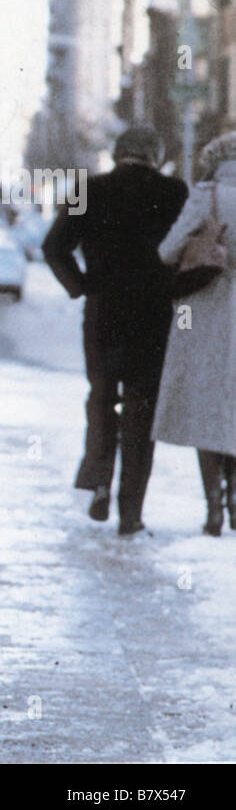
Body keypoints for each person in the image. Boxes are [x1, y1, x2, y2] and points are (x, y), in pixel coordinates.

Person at [42, 125, 187, 535]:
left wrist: (81, 286)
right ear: (154, 155)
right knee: (142, 407)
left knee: (102, 398)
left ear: (117, 153)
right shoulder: (175, 191)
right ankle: (132, 512)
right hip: (154, 314)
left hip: (103, 310)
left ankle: (99, 480)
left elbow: (53, 248)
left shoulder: (87, 188)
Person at [153, 132, 236, 536]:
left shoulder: (207, 194)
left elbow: (167, 250)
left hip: (206, 306)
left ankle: (214, 509)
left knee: (208, 406)